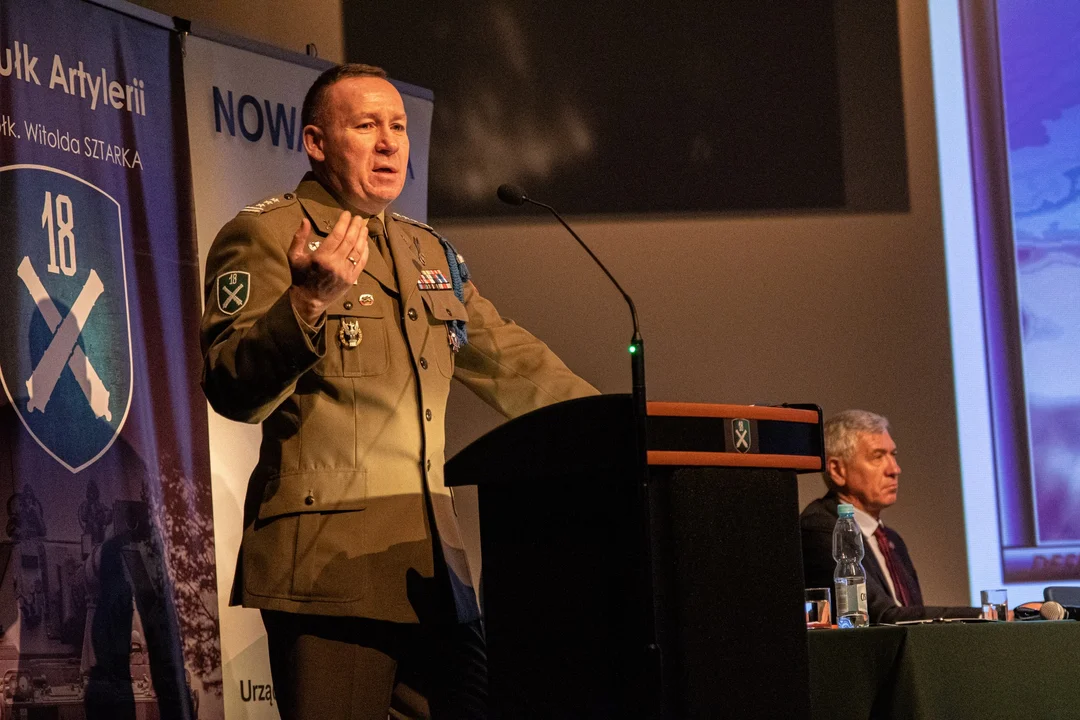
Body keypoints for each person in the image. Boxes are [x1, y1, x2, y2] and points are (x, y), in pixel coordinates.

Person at [200, 63, 597, 719]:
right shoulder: (267, 234)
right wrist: (305, 303)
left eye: (398, 127)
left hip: (435, 571)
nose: (389, 143)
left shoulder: (426, 250)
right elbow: (231, 387)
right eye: (366, 126)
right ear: (316, 142)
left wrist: (611, 424)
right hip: (329, 570)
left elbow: (508, 358)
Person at [800, 410, 980, 624]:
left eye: (893, 455)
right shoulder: (821, 528)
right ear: (837, 470)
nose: (894, 469)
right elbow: (879, 617)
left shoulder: (891, 540)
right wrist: (984, 616)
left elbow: (913, 618)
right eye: (877, 457)